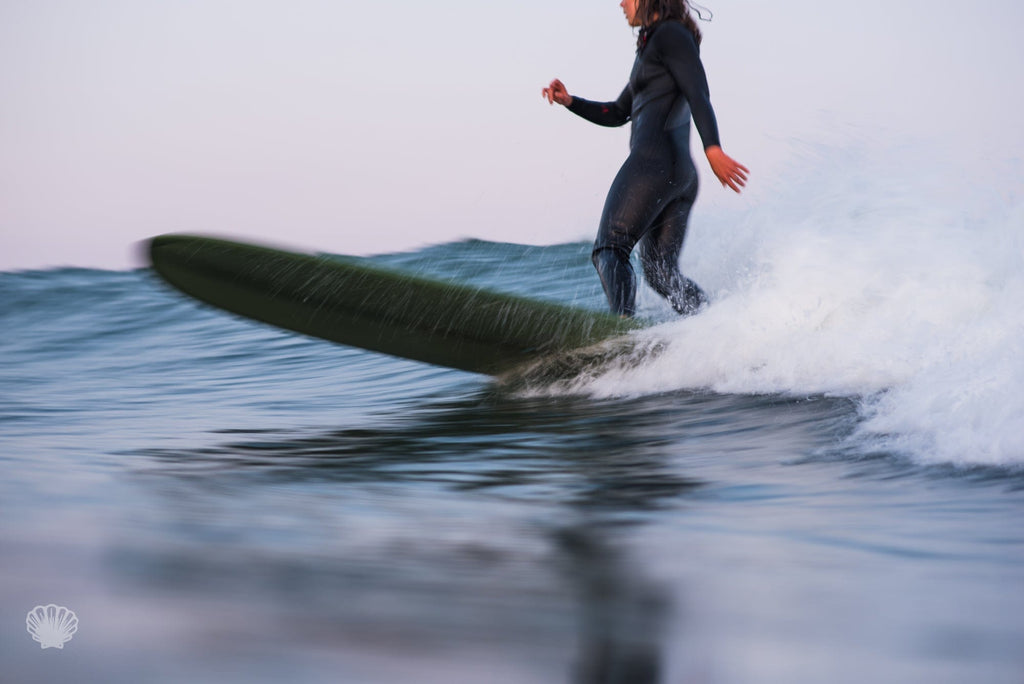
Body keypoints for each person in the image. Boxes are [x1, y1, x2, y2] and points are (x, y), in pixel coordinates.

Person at [543, 0, 748, 317]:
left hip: (654, 165)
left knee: (610, 249)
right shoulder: (654, 48)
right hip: (679, 175)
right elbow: (618, 112)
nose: (621, 3)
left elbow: (698, 92)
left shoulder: (670, 34)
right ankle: (717, 326)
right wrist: (571, 101)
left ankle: (621, 333)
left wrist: (714, 148)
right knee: (661, 274)